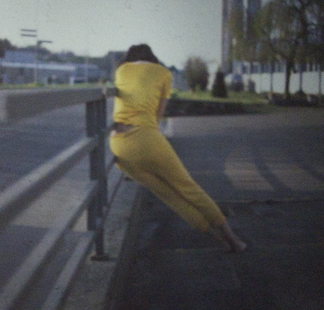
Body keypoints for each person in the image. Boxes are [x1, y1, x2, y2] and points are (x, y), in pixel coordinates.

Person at [107, 44, 249, 252]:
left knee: (169, 196)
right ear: (152, 57)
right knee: (188, 188)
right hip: (145, 137)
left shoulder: (121, 70)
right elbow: (157, 117)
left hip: (119, 147)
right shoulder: (163, 73)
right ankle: (234, 241)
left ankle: (219, 239)